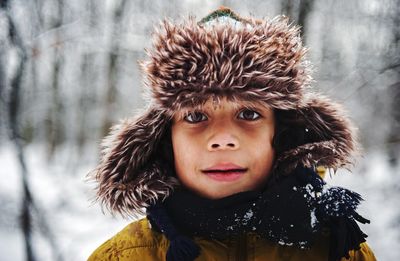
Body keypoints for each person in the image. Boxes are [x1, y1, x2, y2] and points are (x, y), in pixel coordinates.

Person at [88, 7, 376, 261]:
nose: (223, 138)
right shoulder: (121, 257)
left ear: (282, 135)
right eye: (196, 116)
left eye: (249, 114)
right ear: (166, 140)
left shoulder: (339, 250)